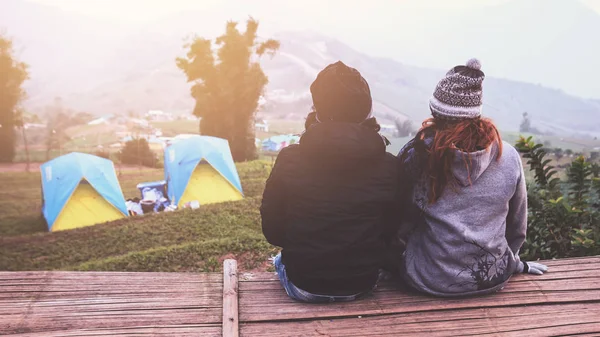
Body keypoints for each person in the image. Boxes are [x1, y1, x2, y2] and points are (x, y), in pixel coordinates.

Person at [396, 58, 548, 297]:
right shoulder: (507, 155)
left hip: (430, 281)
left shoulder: (421, 156)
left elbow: (402, 224)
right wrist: (513, 262)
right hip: (492, 279)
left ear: (435, 112)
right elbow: (517, 227)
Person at [261, 61, 400, 303]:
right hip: (362, 283)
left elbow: (273, 231)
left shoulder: (289, 158)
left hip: (303, 283)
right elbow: (391, 231)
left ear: (318, 111)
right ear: (366, 110)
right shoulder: (389, 165)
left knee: (279, 259)